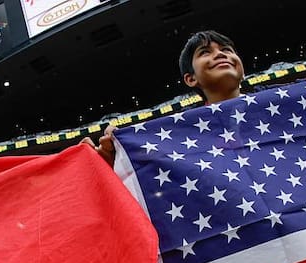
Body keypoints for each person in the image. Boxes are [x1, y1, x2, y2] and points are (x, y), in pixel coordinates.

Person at [85, 30, 245, 165]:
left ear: (242, 70)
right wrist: (119, 158)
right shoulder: (182, 133)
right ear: (191, 79)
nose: (219, 54)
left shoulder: (270, 102)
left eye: (227, 50)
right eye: (205, 52)